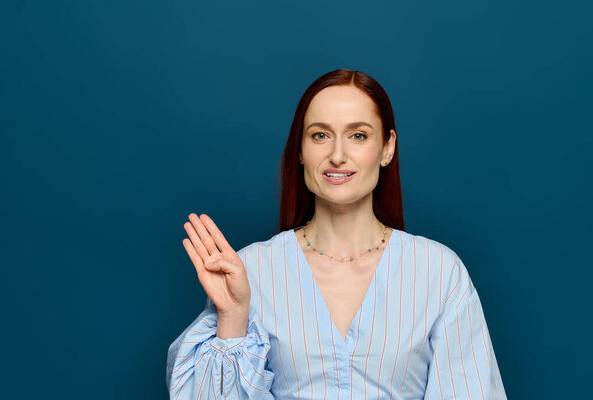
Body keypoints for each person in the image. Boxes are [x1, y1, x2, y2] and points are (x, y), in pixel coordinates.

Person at [166, 69, 507, 399]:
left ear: (387, 147)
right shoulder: (250, 269)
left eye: (358, 135)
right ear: (299, 150)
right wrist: (232, 318)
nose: (338, 156)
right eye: (320, 135)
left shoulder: (438, 272)